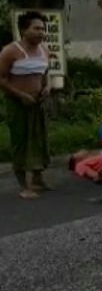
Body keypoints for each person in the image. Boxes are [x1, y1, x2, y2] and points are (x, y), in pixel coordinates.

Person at [0, 11, 51, 199]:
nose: (41, 32)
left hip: (38, 103)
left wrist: (48, 87)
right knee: (20, 142)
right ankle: (24, 185)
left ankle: (38, 178)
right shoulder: (10, 51)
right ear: (23, 30)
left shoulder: (44, 49)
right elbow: (2, 79)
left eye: (43, 29)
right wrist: (20, 95)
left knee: (39, 140)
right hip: (18, 104)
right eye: (36, 28)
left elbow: (45, 73)